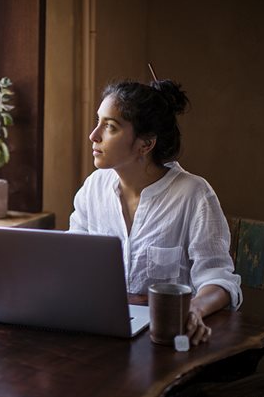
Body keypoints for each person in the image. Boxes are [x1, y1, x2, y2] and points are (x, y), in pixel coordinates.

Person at [69, 79, 242, 346]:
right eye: (98, 121)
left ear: (145, 144)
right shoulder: (94, 188)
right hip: (103, 333)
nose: (94, 135)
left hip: (167, 340)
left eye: (110, 127)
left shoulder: (193, 195)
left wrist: (193, 309)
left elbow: (219, 281)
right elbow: (72, 257)